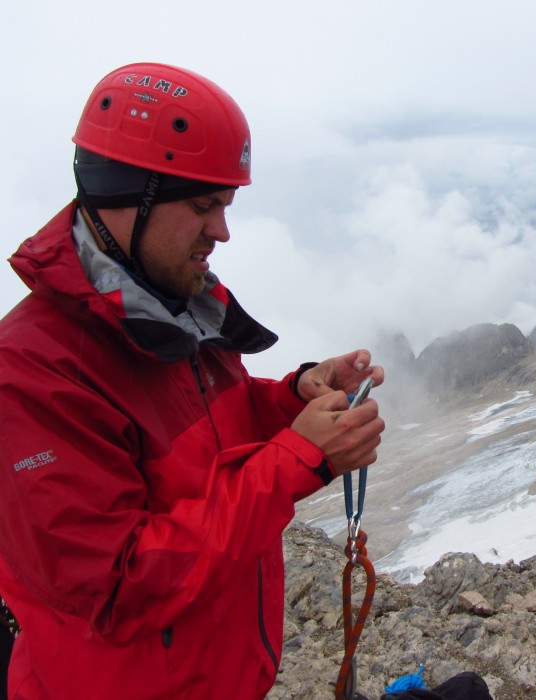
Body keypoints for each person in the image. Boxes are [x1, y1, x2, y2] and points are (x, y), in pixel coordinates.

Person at [0, 63, 386, 699]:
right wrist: (300, 459)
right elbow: (116, 587)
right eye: (204, 206)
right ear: (128, 198)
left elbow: (210, 426)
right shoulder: (31, 371)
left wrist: (293, 397)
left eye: (225, 206)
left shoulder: (170, 306)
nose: (222, 231)